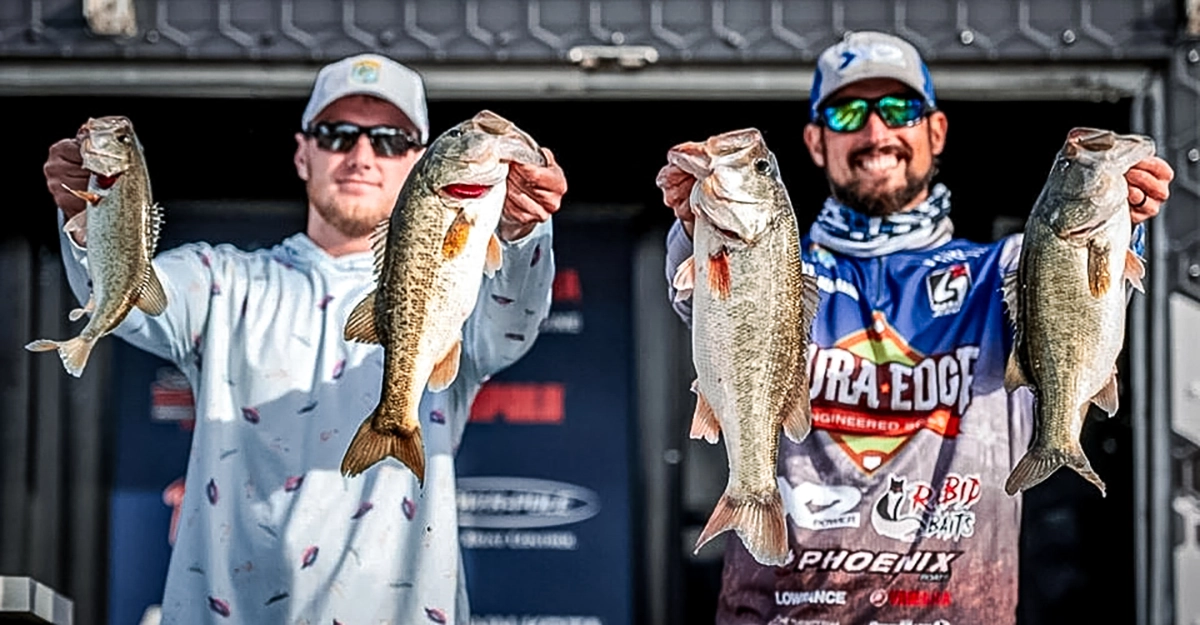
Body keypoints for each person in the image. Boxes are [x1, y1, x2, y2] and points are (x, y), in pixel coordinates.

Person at [657, 31, 1174, 625]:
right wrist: (693, 229)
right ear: (816, 142)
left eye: (900, 109)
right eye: (848, 113)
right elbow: (707, 303)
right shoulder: (780, 272)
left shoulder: (1006, 271)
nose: (876, 133)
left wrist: (1121, 220)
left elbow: (1081, 295)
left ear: (936, 131)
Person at [42, 53, 567, 624]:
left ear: (419, 163)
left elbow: (513, 323)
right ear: (302, 152)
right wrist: (92, 216)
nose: (361, 155)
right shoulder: (221, 282)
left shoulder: (462, 285)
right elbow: (127, 306)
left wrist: (524, 230)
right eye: (337, 134)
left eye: (389, 140)